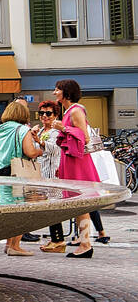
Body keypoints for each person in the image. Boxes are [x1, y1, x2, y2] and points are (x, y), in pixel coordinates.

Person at [53, 79, 102, 258]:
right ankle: (84, 243)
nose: (54, 93)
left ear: (66, 92)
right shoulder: (70, 110)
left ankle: (86, 244)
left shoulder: (75, 110)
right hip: (72, 160)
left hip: (77, 161)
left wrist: (63, 128)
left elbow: (85, 137)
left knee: (81, 204)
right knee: (80, 205)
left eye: (57, 90)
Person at [0, 100, 43, 257]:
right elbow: (29, 152)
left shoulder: (0, 130)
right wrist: (40, 150)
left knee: (9, 209)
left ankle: (8, 244)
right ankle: (15, 245)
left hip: (2, 171)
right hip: (18, 173)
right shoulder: (23, 130)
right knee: (21, 210)